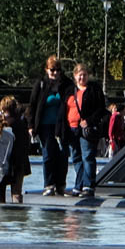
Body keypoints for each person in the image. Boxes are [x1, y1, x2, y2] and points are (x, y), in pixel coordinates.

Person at [28, 56, 72, 195]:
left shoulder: (67, 84)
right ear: (46, 70)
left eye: (58, 70)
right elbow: (32, 105)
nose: (55, 73)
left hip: (62, 125)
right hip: (45, 125)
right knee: (48, 154)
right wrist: (31, 125)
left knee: (63, 155)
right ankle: (49, 184)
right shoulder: (41, 84)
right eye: (52, 70)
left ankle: (61, 184)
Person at [64, 63, 107, 196]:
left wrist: (89, 121)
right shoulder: (70, 90)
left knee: (87, 156)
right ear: (75, 76)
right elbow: (64, 108)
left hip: (86, 129)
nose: (82, 77)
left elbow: (101, 109)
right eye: (80, 75)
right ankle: (79, 184)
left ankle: (88, 186)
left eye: (85, 75)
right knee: (76, 158)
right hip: (72, 129)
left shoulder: (94, 90)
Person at [0, 96, 32, 200]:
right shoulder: (21, 124)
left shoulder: (3, 126)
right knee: (17, 192)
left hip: (7, 161)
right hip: (20, 161)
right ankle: (19, 209)